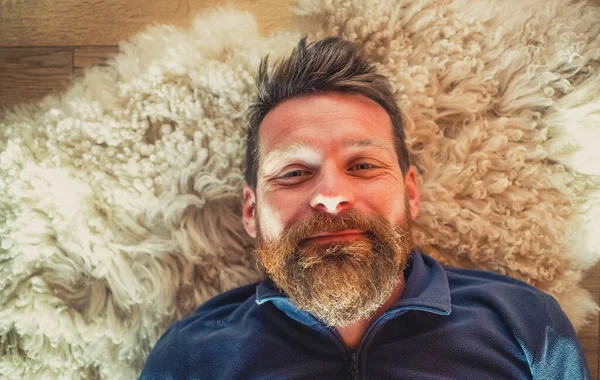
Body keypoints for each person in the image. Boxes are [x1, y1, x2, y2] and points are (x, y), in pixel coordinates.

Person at [140, 36, 590, 379]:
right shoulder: (188, 357)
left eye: (362, 164)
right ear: (250, 211)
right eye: (294, 172)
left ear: (411, 193)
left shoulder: (528, 327)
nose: (331, 196)